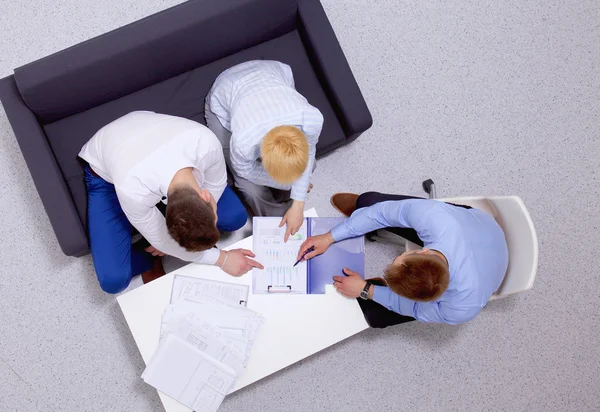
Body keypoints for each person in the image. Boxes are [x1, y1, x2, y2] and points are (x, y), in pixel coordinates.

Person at [79, 111, 263, 294]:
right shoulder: (134, 190)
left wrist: (171, 242)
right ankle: (148, 256)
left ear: (206, 195)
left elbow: (217, 184)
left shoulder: (206, 144)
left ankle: (169, 241)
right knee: (113, 281)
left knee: (235, 217)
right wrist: (222, 259)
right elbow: (163, 241)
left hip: (148, 133)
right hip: (108, 177)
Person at [296, 192, 509, 326]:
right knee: (368, 203)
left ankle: (375, 290)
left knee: (374, 317)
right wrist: (329, 237)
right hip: (478, 224)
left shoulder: (460, 309)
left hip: (485, 269)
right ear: (424, 251)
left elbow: (415, 309)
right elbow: (379, 214)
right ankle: (360, 214)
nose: (395, 258)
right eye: (398, 260)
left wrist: (365, 290)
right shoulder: (433, 218)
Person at [205, 60, 324, 242]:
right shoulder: (244, 141)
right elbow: (246, 171)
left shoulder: (312, 118)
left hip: (270, 71)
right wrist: (294, 186)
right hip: (225, 92)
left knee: (309, 167)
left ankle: (289, 209)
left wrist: (298, 203)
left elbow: (310, 153)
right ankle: (276, 221)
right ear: (261, 156)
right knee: (251, 189)